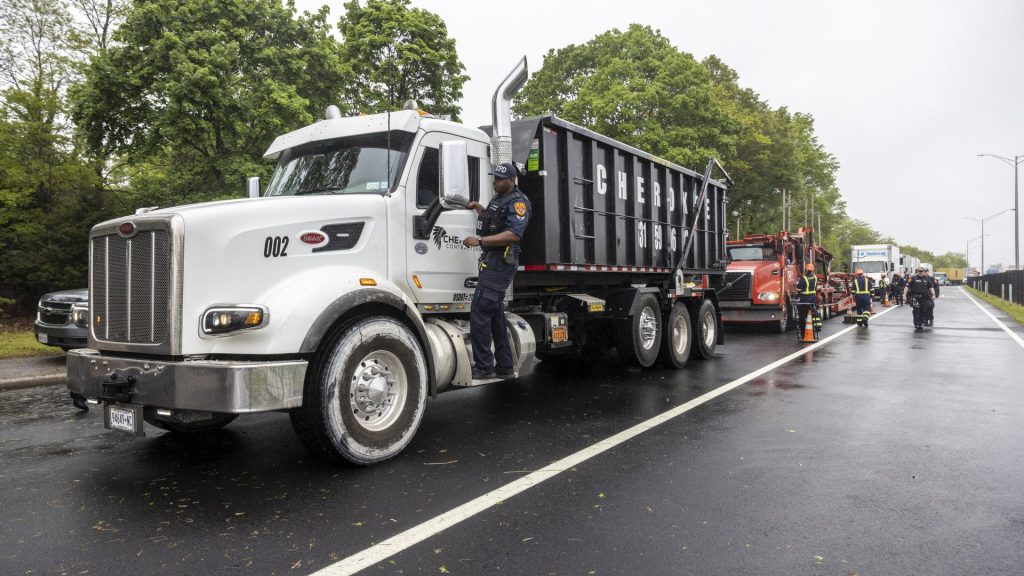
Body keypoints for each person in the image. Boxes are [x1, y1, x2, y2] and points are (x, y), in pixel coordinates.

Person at [462, 162, 531, 379]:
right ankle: (505, 367)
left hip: (501, 263)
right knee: (494, 315)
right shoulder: (498, 198)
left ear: (512, 181)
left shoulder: (519, 203)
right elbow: (494, 220)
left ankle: (484, 367)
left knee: (480, 312)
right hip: (491, 261)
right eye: (495, 178)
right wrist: (478, 208)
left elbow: (513, 235)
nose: (496, 182)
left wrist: (479, 240)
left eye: (501, 179)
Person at [902, 267, 936, 332]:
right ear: (917, 271)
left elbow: (931, 287)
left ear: (923, 272)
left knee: (923, 311)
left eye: (921, 271)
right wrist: (904, 295)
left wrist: (933, 295)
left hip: (924, 298)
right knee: (916, 310)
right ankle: (917, 324)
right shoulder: (912, 278)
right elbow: (906, 287)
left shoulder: (927, 279)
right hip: (915, 297)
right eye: (919, 271)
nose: (920, 272)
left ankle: (920, 323)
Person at [794, 263, 819, 339]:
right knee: (812, 315)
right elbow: (815, 287)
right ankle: (814, 332)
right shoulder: (815, 277)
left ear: (806, 270)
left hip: (805, 299)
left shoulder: (804, 278)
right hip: (812, 299)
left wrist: (796, 285)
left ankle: (803, 333)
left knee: (802, 317)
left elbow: (799, 289)